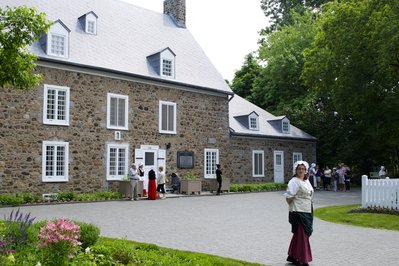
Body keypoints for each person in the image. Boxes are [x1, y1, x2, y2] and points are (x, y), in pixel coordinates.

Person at [284, 160, 314, 266]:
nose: (301, 170)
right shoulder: (294, 181)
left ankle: (292, 256)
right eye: (299, 169)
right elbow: (288, 198)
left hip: (308, 210)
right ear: (295, 170)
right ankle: (303, 259)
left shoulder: (306, 181)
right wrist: (294, 199)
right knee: (302, 235)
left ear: (306, 170)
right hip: (298, 211)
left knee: (300, 235)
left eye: (303, 169)